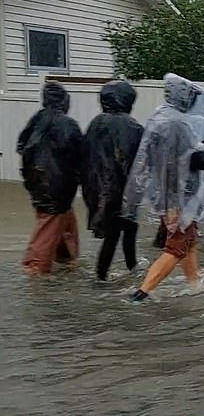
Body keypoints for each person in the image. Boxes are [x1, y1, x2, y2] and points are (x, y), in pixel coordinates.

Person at [122, 73, 204, 302]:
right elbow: (189, 159)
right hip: (178, 198)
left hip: (165, 195)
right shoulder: (176, 123)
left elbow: (179, 153)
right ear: (184, 96)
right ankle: (141, 294)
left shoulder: (161, 116)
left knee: (188, 241)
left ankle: (194, 284)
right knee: (176, 248)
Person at [17, 82, 83, 276]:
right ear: (64, 101)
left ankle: (65, 258)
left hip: (37, 183)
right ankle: (34, 269)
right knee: (49, 226)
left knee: (62, 221)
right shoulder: (67, 124)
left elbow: (22, 147)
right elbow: (79, 154)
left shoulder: (36, 120)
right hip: (58, 185)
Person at [82, 80, 144, 280]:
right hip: (120, 189)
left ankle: (109, 273)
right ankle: (125, 271)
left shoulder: (95, 123)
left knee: (114, 232)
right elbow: (134, 161)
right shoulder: (131, 126)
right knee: (123, 230)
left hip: (95, 188)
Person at [152, 88, 204, 251]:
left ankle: (163, 251)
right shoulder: (201, 122)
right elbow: (201, 153)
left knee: (171, 225)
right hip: (196, 179)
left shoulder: (167, 119)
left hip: (172, 181)